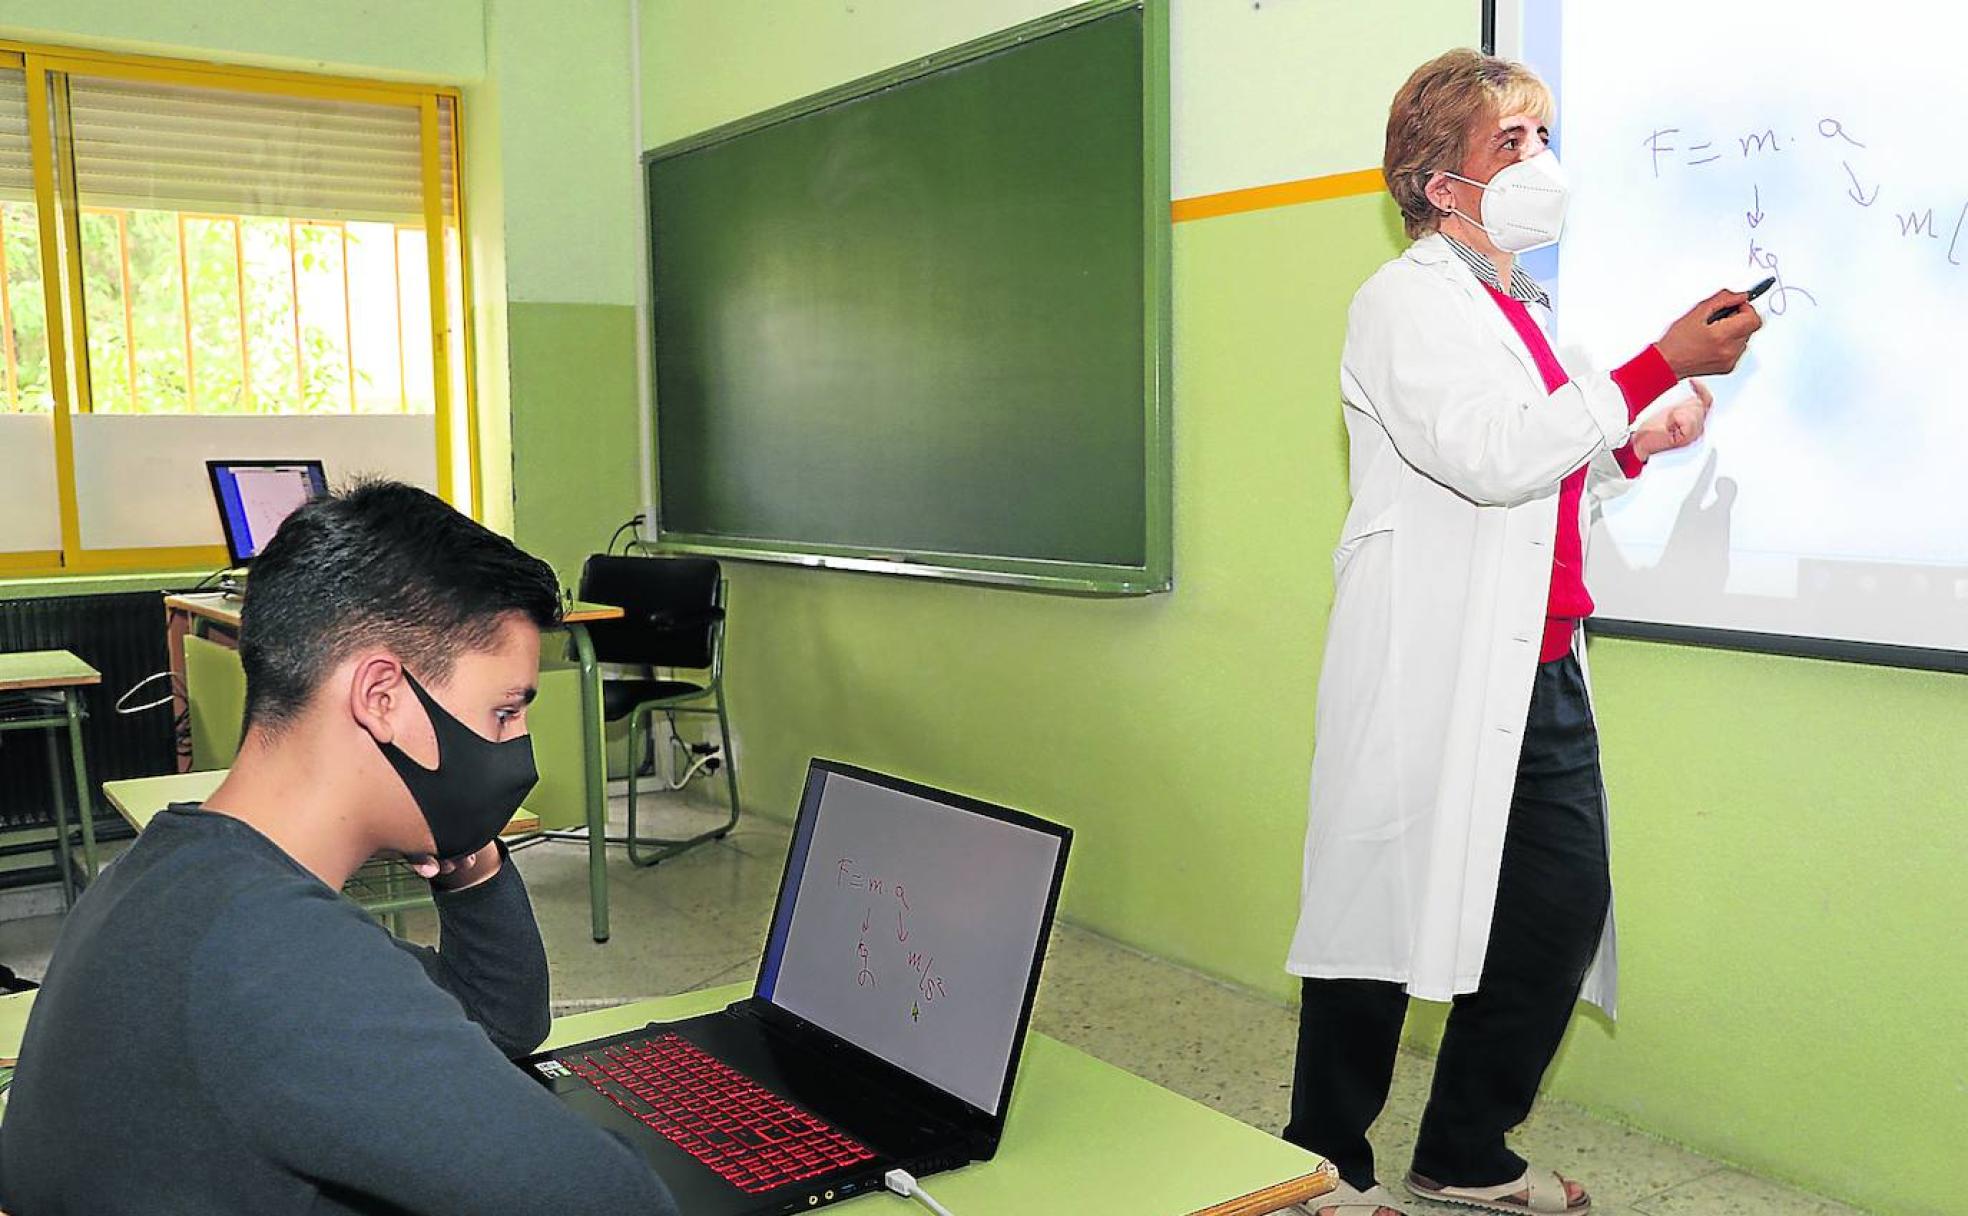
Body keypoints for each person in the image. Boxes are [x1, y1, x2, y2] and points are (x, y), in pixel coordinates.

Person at [1283, 50, 1760, 1216]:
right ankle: (1317, 1161)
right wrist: (1655, 360)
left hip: (1538, 664)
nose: (1541, 165)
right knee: (1381, 907)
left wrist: (1639, 439)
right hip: (1428, 660)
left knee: (1558, 905)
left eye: (1543, 138)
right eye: (1513, 145)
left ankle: (1462, 1148)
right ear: (1441, 186)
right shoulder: (1401, 303)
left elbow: (1547, 461)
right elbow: (1488, 460)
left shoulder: (1523, 312)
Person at [0, 481, 679, 1215]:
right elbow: (613, 1202)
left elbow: (500, 1023)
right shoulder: (277, 956)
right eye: (505, 712)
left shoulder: (172, 870)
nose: (517, 749)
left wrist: (470, 855)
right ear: (381, 696)